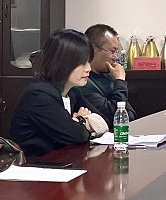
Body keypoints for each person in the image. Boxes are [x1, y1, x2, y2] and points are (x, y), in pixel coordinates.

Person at [10, 29, 103, 159]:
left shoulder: (72, 91)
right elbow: (76, 135)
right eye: (82, 63)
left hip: (63, 162)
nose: (88, 68)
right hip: (35, 165)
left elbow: (102, 123)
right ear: (62, 62)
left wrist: (77, 122)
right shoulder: (38, 95)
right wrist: (83, 121)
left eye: (89, 61)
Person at [79, 24, 138, 128]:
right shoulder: (83, 81)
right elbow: (113, 116)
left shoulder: (110, 76)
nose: (115, 57)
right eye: (112, 51)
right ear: (93, 49)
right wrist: (120, 81)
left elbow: (130, 114)